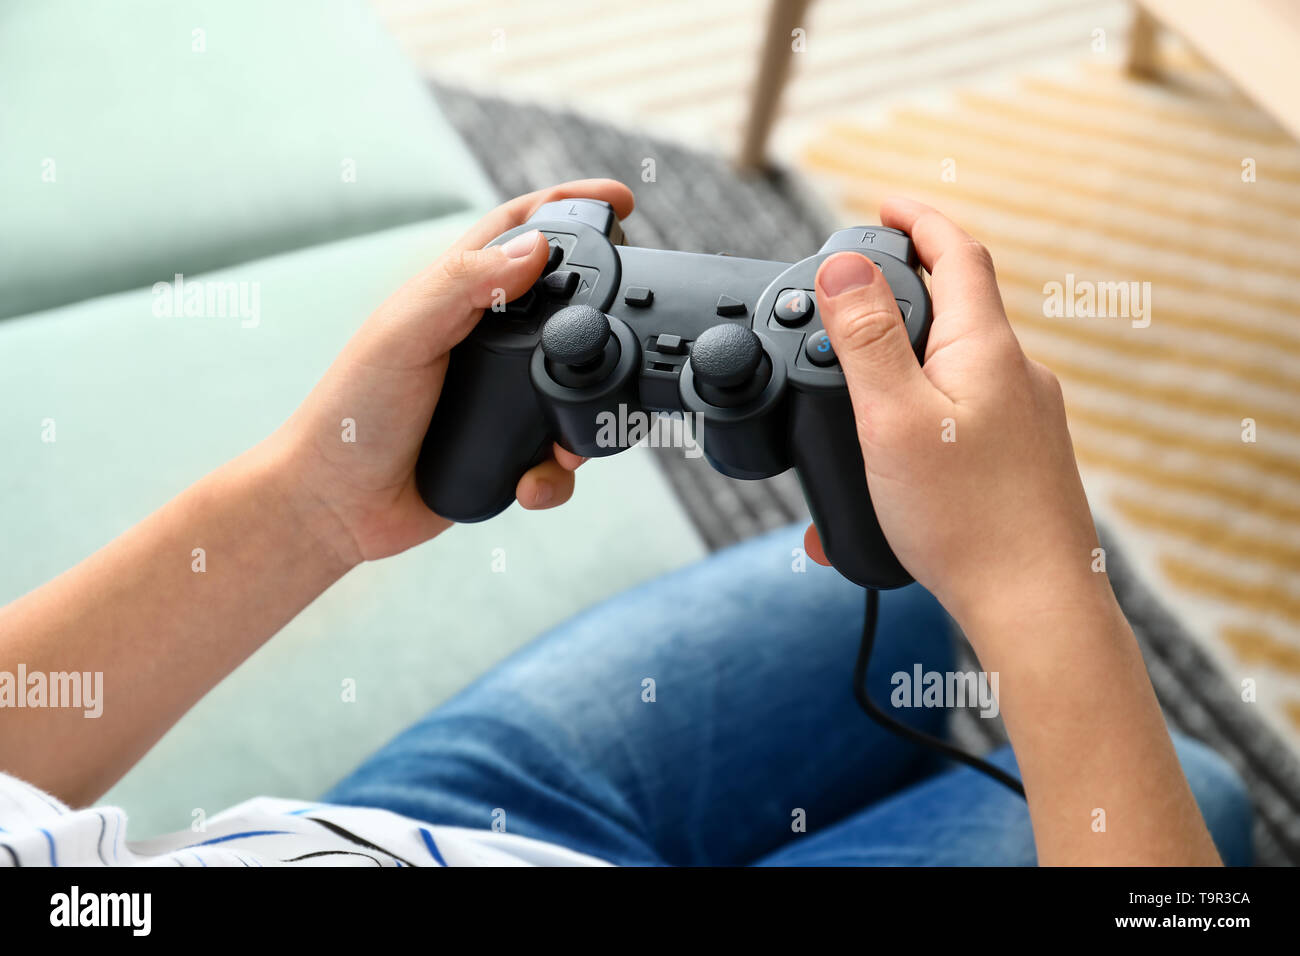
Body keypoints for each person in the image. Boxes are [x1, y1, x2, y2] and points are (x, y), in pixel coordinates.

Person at [0, 181, 1252, 867]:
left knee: (896, 585)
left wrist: (314, 498)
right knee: (1189, 790)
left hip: (396, 830)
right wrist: (1040, 587)